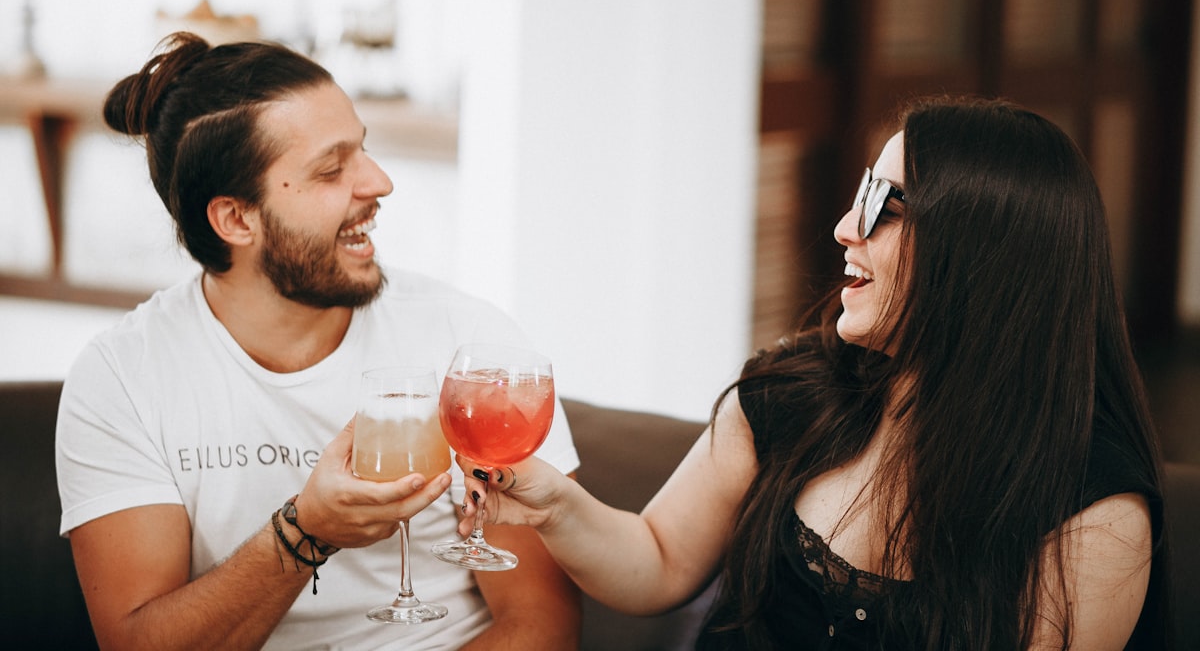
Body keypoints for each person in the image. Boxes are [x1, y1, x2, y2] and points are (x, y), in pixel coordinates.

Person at [455, 95, 1168, 649]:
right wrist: (552, 506)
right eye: (863, 195)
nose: (845, 229)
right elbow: (659, 559)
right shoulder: (790, 392)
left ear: (983, 255)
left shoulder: (1092, 508)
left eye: (885, 207)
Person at [54, 32, 582, 651]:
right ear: (235, 219)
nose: (379, 182)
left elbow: (542, 627)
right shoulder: (123, 379)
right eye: (332, 169)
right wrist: (304, 533)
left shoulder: (464, 343)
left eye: (364, 151)